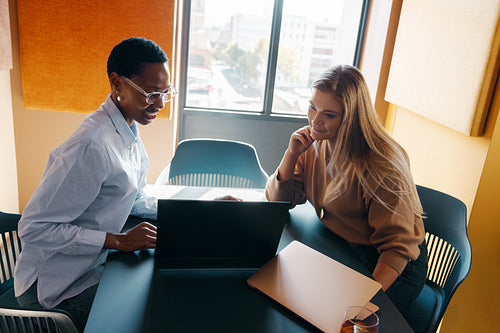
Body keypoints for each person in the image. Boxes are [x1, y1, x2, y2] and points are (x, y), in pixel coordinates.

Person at [14, 37, 176, 332]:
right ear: (117, 84)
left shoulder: (127, 127)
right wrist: (117, 240)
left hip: (90, 265)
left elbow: (135, 197)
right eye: (151, 94)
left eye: (165, 93)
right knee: (147, 314)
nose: (160, 105)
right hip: (54, 289)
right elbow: (33, 227)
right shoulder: (92, 146)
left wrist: (190, 209)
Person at [266, 64, 428, 315]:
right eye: (312, 107)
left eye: (329, 115)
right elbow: (278, 203)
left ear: (352, 117)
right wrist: (291, 155)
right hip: (346, 243)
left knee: (339, 319)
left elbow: (396, 248)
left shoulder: (381, 165)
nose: (315, 121)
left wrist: (360, 306)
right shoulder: (315, 143)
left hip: (391, 263)